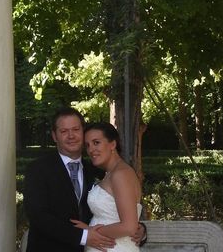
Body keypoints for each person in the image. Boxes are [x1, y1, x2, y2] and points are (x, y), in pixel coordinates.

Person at [23, 107, 145, 252]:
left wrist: (140, 229)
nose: (71, 135)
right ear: (55, 136)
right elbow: (38, 216)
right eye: (64, 131)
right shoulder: (38, 169)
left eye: (75, 129)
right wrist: (83, 236)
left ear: (83, 131)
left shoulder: (98, 171)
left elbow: (121, 208)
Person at [71, 122, 143, 252]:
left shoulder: (121, 174)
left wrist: (88, 232)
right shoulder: (111, 173)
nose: (91, 149)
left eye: (96, 142)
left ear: (113, 144)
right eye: (87, 145)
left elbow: (129, 226)